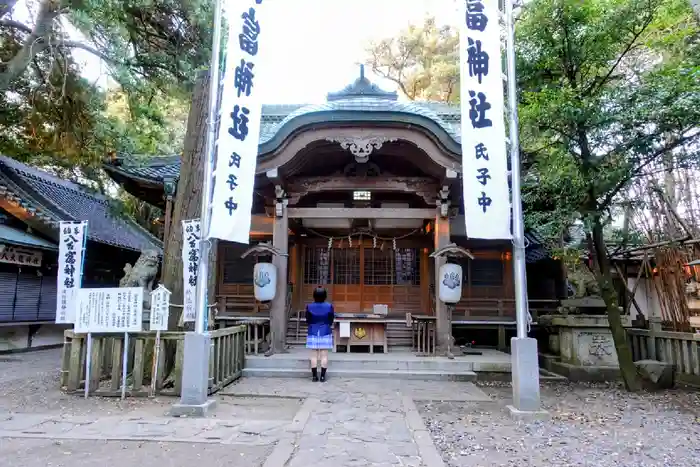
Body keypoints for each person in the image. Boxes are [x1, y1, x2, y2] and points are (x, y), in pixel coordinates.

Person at [305, 286, 334, 382]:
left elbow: (308, 320)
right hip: (325, 330)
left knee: (313, 355)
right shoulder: (329, 306)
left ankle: (314, 376)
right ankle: (322, 376)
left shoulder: (309, 306)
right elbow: (331, 320)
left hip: (313, 331)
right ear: (325, 295)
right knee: (324, 355)